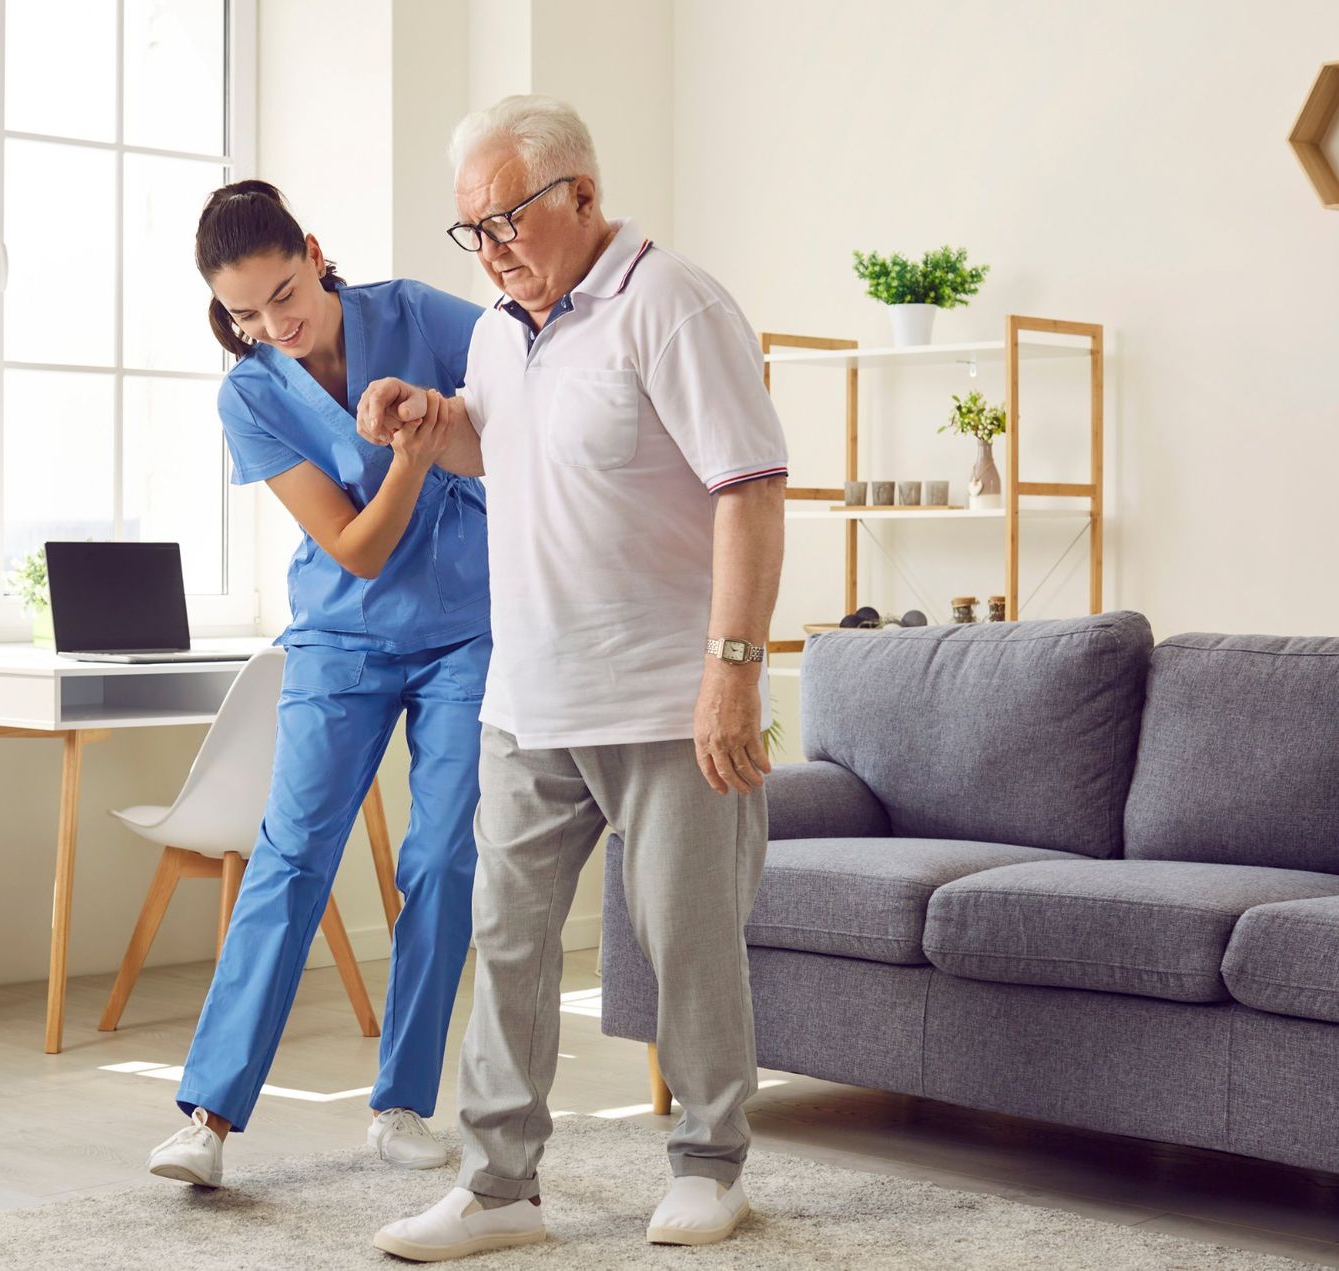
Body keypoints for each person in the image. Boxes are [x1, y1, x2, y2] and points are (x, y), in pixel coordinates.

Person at [359, 97, 789, 1259]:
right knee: (506, 939)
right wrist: (429, 420)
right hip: (530, 695)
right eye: (471, 229)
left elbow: (749, 489)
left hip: (665, 694)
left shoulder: (673, 303)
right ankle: (500, 1185)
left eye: (507, 219)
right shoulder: (499, 330)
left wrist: (733, 674)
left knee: (687, 939)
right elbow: (503, 445)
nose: (490, 246)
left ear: (582, 197)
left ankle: (712, 1161)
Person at [145, 180, 492, 1189]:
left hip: (468, 632)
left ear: (314, 250)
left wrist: (443, 422)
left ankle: (401, 1105)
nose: (275, 325)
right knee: (292, 855)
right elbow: (355, 546)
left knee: (438, 858)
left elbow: (531, 367)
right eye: (246, 313)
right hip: (342, 638)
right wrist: (416, 460)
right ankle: (206, 1116)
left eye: (285, 294)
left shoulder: (422, 314)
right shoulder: (251, 392)